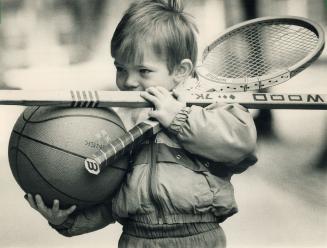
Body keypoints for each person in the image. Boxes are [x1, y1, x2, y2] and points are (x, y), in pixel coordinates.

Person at [25, 0, 257, 247]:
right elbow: (109, 200)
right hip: (137, 239)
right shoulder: (118, 123)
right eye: (121, 69)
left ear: (180, 70)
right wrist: (67, 221)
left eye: (144, 71)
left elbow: (241, 143)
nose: (129, 81)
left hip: (199, 237)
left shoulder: (204, 105)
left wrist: (178, 117)